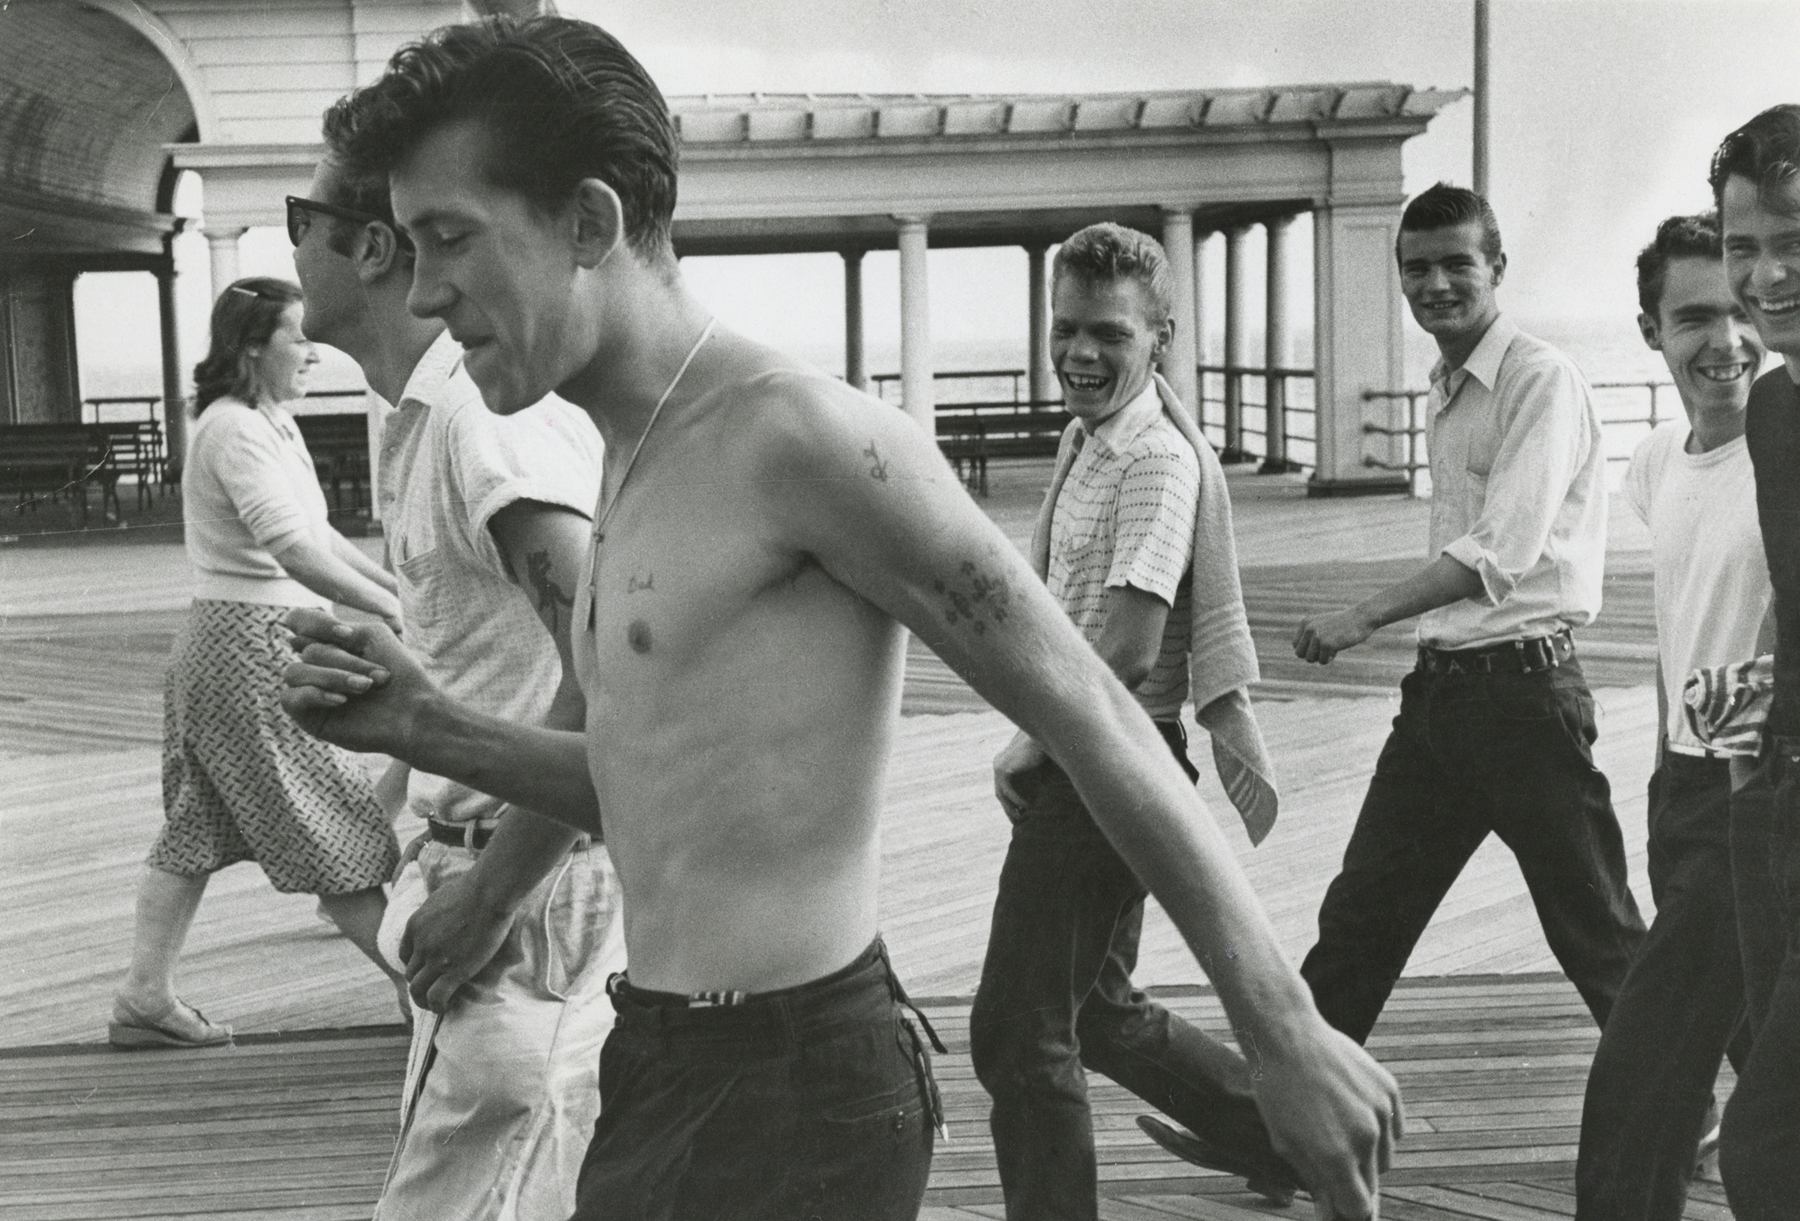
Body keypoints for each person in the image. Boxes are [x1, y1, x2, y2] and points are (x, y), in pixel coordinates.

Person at [279, 16, 1401, 1220]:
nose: (424, 289)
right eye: (409, 246)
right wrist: (425, 725)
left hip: (796, 1098)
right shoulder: (629, 452)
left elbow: (1091, 706)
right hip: (662, 1060)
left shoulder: (801, 439)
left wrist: (1282, 1028)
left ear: (591, 224)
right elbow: (650, 785)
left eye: (451, 238)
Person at [290, 91, 622, 1221]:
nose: (291, 247)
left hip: (527, 903)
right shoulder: (433, 417)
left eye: (300, 218)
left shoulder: (483, 424)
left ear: (371, 247)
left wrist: (488, 893)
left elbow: (612, 663)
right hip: (502, 888)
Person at [969, 222, 1295, 1218]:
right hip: (1099, 753)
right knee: (1098, 1011)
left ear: (1161, 337)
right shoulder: (1089, 442)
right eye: (1066, 328)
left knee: (1018, 1033)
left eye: (1110, 333)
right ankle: (1286, 1139)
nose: (1080, 353)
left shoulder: (1154, 458)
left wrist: (1031, 740)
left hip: (1109, 761)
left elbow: (1129, 650)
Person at [1290, 183, 1646, 1046]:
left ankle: (1683, 1103)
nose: (1436, 284)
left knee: (1596, 931)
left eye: (1457, 264)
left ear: (1498, 267)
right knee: (1360, 921)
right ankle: (1282, 1111)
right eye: (1417, 268)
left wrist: (1363, 616)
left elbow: (1499, 552)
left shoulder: (1539, 380)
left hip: (1524, 701)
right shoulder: (1447, 384)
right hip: (1441, 699)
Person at [110, 278, 407, 1049]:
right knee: (327, 811)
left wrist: (392, 595)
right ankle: (423, 991)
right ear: (250, 347)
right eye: (296, 338)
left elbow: (321, 533)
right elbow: (293, 549)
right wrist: (393, 612)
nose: (312, 353)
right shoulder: (235, 429)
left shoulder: (266, 421)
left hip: (242, 640)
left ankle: (144, 995)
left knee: (196, 824)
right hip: (249, 646)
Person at [1574, 212, 1768, 1221]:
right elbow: (1679, 621)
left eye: (1742, 309)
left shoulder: (1787, 453)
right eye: (1694, 317)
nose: (1725, 338)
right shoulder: (1658, 463)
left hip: (1755, 797)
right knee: (1760, 1060)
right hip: (1682, 790)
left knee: (1642, 1072)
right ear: (1651, 330)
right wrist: (1664, 758)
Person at [1710, 103, 1800, 1220]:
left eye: (1793, 242)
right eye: (1745, 246)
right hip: (1779, 796)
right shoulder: (1772, 407)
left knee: (1768, 1143)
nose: (1766, 275)